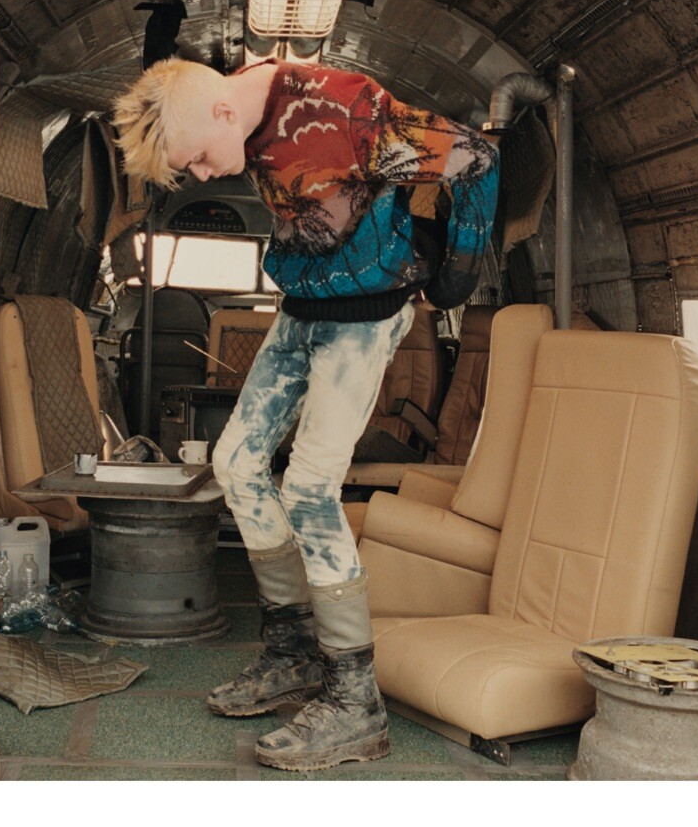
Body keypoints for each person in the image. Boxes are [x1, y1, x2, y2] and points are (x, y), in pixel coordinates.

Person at [113, 54, 498, 770]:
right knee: (234, 463)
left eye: (197, 159)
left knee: (311, 490)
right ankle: (291, 651)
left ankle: (356, 703)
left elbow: (476, 157)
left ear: (222, 113)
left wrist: (457, 272)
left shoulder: (348, 111)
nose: (203, 175)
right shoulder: (250, 96)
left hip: (365, 315)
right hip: (303, 308)